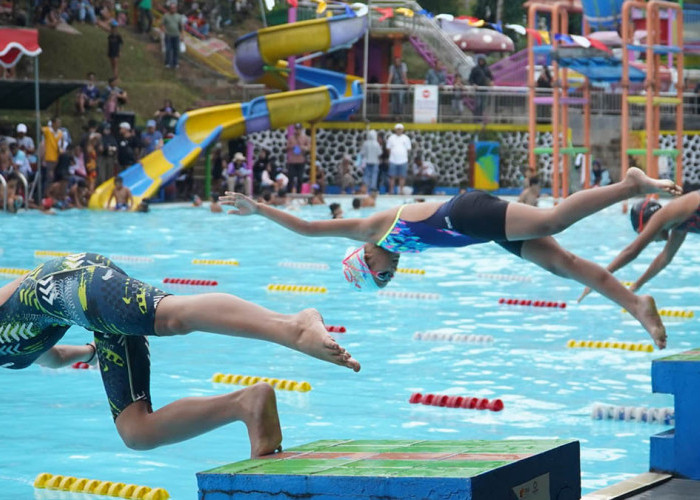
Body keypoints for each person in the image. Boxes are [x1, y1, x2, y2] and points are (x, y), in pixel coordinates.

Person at [222, 168, 683, 350]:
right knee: (566, 265)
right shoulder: (395, 247)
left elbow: (306, 228)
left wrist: (257, 208)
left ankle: (629, 185)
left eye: (379, 279)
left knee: (551, 221)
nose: (388, 279)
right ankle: (636, 304)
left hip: (465, 213)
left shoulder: (371, 229)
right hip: (478, 231)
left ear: (366, 260)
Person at [0, 253, 359, 456]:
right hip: (82, 313)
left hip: (65, 283)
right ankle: (246, 404)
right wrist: (94, 352)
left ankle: (293, 325)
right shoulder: (12, 353)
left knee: (171, 316)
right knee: (136, 432)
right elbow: (57, 356)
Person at [578, 192, 700, 300]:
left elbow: (632, 251)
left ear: (648, 224)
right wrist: (636, 286)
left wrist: (599, 277)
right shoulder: (678, 225)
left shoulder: (662, 216)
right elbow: (664, 258)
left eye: (645, 234)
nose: (651, 240)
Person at [386, 123, 411, 195]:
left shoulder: (406, 138)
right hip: (393, 160)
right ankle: (391, 191)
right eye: (398, 129)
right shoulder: (391, 138)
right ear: (395, 130)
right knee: (392, 177)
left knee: (402, 177)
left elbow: (408, 149)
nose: (399, 131)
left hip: (403, 160)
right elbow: (388, 148)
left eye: (400, 129)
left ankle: (401, 191)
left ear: (402, 130)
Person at [286, 123, 310, 194]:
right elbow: (286, 147)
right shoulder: (291, 138)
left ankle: (299, 192)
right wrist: (292, 146)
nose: (297, 131)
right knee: (291, 177)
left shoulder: (305, 138)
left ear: (301, 130)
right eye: (296, 129)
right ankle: (289, 192)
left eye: (299, 129)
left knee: (300, 178)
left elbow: (308, 148)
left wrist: (302, 147)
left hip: (301, 161)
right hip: (292, 161)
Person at [468, 55, 493, 121]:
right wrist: (473, 84)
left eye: (482, 60)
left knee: (483, 104)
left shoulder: (487, 69)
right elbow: (470, 79)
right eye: (480, 60)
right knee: (478, 103)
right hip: (478, 89)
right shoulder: (475, 69)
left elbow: (491, 78)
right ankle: (476, 118)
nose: (481, 62)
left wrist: (490, 83)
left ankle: (480, 117)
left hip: (484, 89)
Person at [162, 2, 184, 69]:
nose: (173, 9)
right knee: (168, 49)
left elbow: (181, 27)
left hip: (176, 35)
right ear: (169, 8)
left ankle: (175, 63)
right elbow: (162, 24)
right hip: (168, 35)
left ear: (176, 9)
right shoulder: (166, 16)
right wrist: (164, 30)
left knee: (176, 50)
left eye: (174, 8)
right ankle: (168, 63)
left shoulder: (179, 16)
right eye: (171, 8)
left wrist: (182, 35)